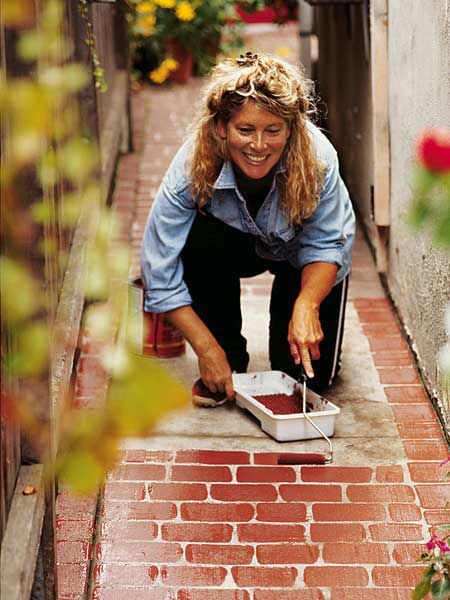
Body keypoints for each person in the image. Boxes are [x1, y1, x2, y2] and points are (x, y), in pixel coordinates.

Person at [141, 52, 355, 407]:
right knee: (195, 239)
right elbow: (159, 271)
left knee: (303, 380)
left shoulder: (319, 159)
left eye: (273, 130)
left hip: (300, 256)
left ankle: (299, 316)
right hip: (226, 246)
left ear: (291, 130)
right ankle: (226, 353)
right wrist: (207, 349)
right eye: (245, 130)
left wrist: (308, 305)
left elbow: (327, 244)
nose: (259, 145)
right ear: (222, 127)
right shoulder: (190, 167)